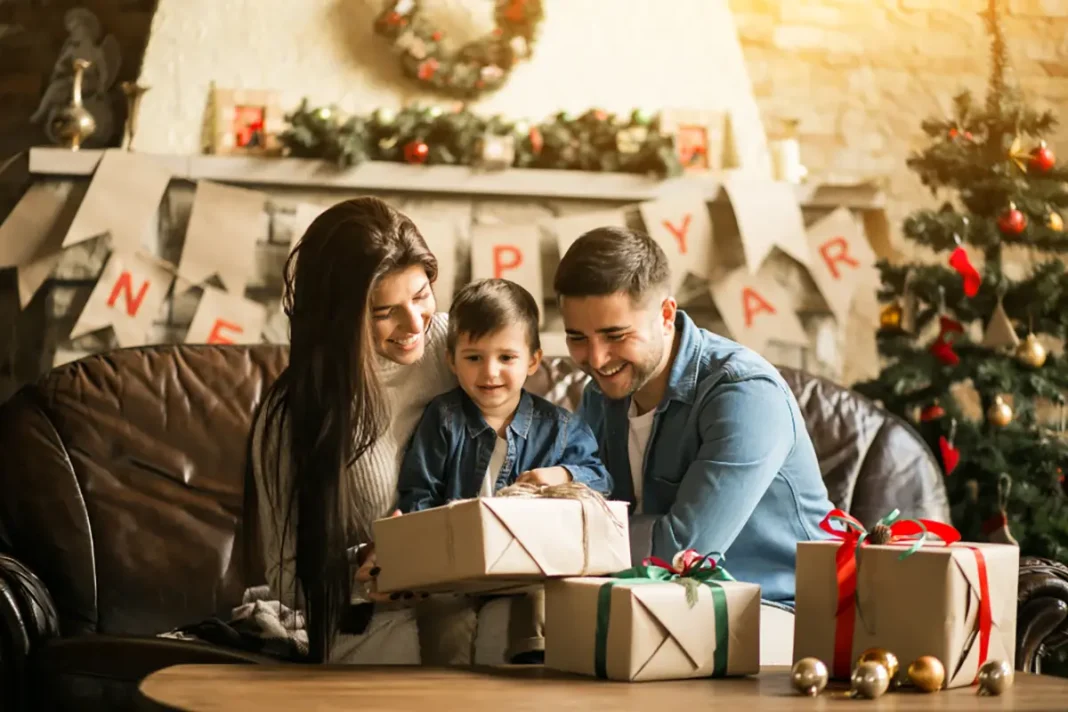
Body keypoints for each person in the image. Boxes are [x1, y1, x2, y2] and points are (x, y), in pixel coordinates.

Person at [553, 226, 834, 605]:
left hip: (788, 613)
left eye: (616, 335)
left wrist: (573, 534)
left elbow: (682, 552)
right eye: (577, 338)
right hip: (667, 604)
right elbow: (576, 504)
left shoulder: (745, 393)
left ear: (666, 314)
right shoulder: (600, 397)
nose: (597, 359)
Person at [248, 197, 456, 664]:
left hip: (469, 603)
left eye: (421, 296)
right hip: (375, 624)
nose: (413, 325)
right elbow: (285, 574)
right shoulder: (296, 412)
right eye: (384, 312)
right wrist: (361, 569)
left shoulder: (457, 345)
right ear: (340, 317)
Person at [396, 278, 612, 664]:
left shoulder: (560, 426)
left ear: (533, 360)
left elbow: (601, 481)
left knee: (542, 603)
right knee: (447, 624)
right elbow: (419, 493)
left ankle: (532, 676)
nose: (490, 372)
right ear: (451, 360)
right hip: (457, 564)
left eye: (506, 358)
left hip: (529, 563)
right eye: (474, 357)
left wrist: (561, 474)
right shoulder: (444, 418)